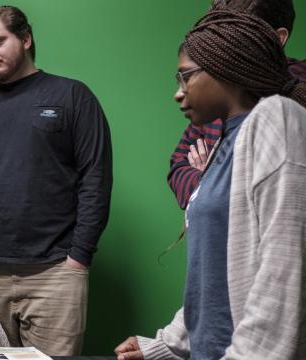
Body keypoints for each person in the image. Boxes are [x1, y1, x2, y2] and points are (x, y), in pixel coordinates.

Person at [115, 10, 306, 360]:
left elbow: (282, 274)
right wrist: (166, 345)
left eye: (185, 77)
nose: (178, 92)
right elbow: (214, 274)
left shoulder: (278, 119)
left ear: (224, 67)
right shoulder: (223, 140)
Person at [0, 4, 112, 356]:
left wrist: (78, 258)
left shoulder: (72, 96)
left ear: (25, 37)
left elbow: (95, 179)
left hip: (55, 273)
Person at [167, 0, 306, 209]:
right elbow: (179, 165)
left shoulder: (287, 108)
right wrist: (208, 187)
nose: (218, 42)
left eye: (234, 31)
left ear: (278, 38)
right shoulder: (218, 96)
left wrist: (214, 177)